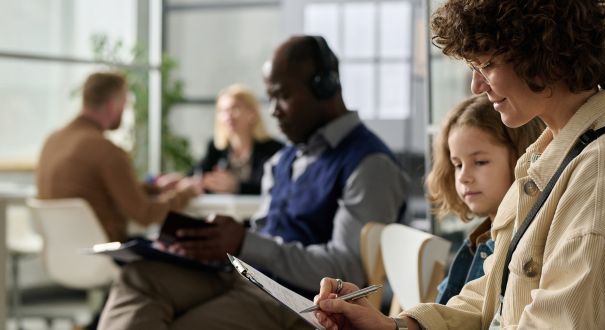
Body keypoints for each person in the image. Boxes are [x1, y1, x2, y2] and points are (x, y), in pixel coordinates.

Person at [313, 0, 605, 329]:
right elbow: (492, 302)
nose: (476, 85)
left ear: (546, 52)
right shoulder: (553, 158)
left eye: (487, 64)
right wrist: (395, 326)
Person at [96, 35, 409, 330]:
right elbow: (264, 236)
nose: (273, 111)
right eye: (270, 98)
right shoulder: (284, 159)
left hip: (298, 301)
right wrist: (213, 246)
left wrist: (245, 242)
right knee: (137, 277)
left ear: (325, 87)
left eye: (283, 96)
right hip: (246, 276)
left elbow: (348, 272)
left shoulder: (369, 164)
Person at [36, 71, 199, 242]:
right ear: (113, 105)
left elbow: (100, 188)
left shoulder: (52, 141)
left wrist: (157, 188)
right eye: (125, 103)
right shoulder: (107, 151)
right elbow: (145, 214)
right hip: (106, 254)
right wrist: (186, 192)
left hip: (64, 253)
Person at [430, 95, 544, 305]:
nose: (464, 176)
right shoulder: (476, 241)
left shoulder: (527, 250)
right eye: (457, 165)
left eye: (480, 162)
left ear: (522, 157)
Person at [192, 84, 283, 194]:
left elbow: (277, 187)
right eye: (222, 110)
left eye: (234, 108)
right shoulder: (215, 148)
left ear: (252, 114)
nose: (228, 116)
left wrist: (237, 187)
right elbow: (197, 175)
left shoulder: (274, 150)